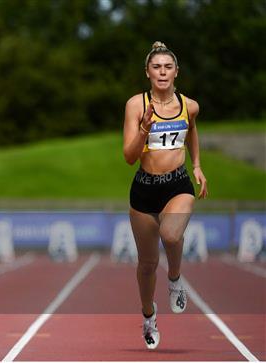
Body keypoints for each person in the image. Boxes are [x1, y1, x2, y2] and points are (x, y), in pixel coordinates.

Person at [123, 41, 208, 350]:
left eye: (167, 67)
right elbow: (129, 157)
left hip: (178, 185)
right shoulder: (136, 105)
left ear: (176, 72)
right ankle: (149, 316)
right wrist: (144, 129)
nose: (162, 72)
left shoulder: (190, 105)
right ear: (148, 72)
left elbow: (192, 129)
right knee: (146, 265)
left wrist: (197, 164)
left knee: (171, 235)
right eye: (156, 67)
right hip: (144, 190)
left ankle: (174, 278)